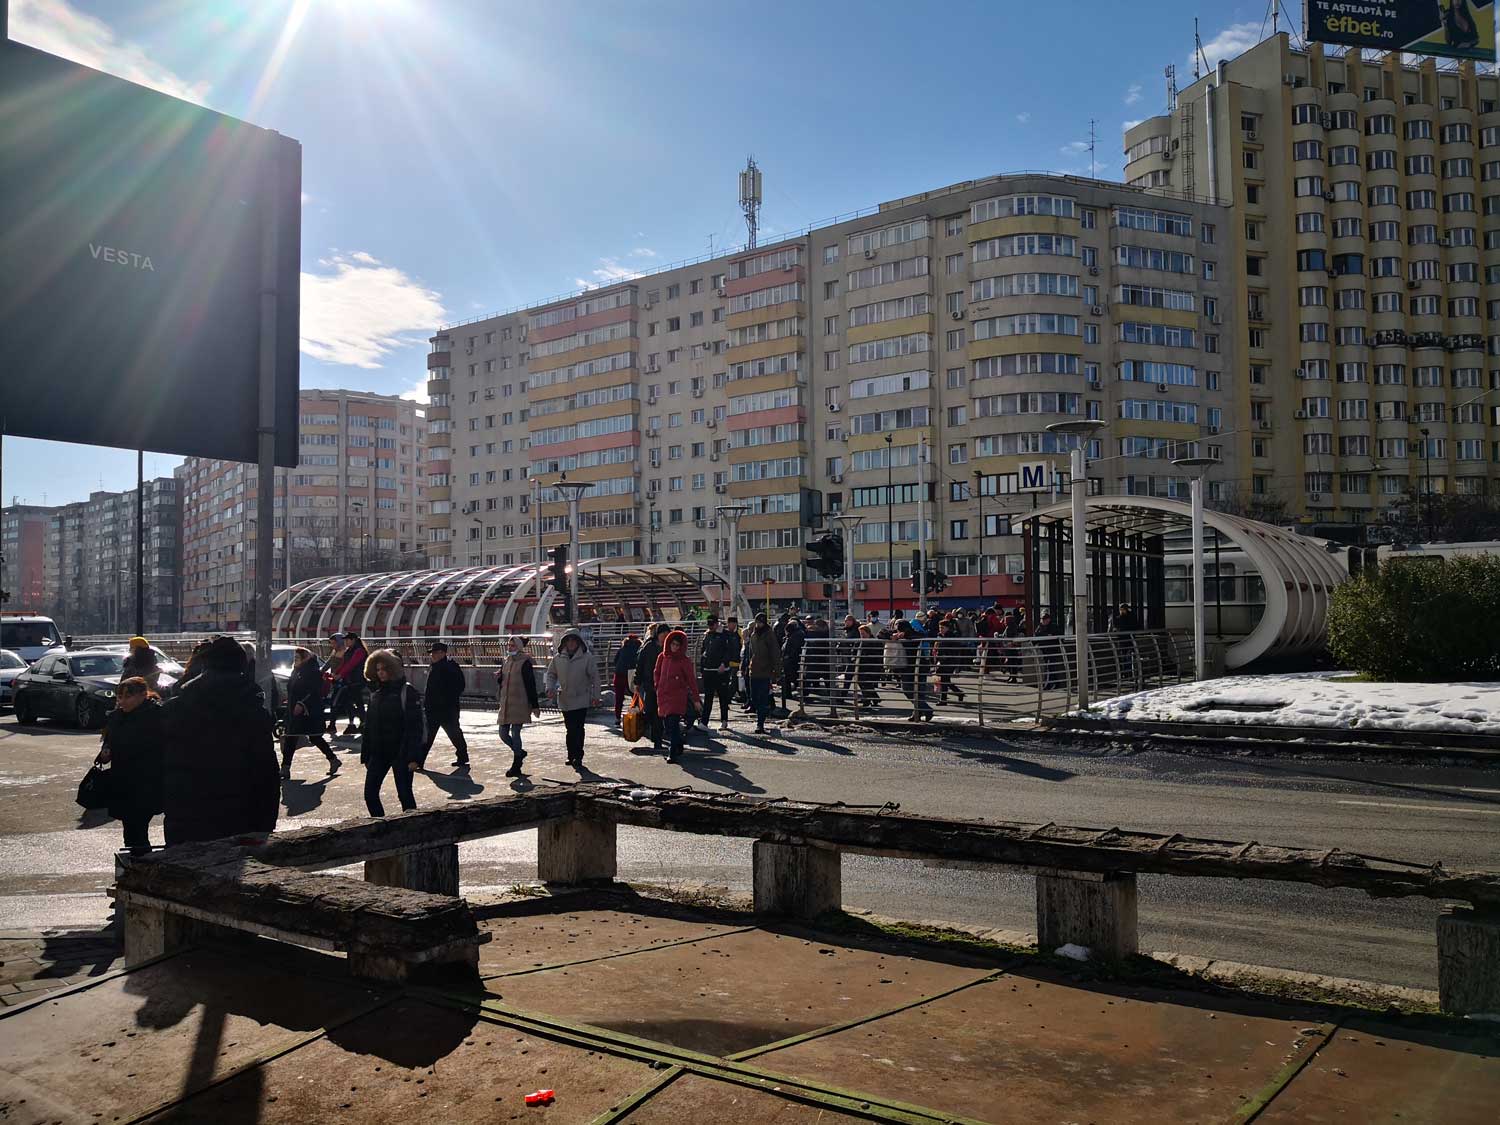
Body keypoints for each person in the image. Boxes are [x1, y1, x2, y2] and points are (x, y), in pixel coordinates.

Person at [161, 636, 279, 846]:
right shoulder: (252, 711)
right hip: (241, 817)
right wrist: (266, 824)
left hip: (186, 816)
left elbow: (162, 762)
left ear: (206, 664)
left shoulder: (176, 707)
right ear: (241, 666)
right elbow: (266, 772)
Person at [99, 676, 164, 856]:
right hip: (123, 779)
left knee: (137, 827)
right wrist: (106, 752)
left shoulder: (155, 715)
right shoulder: (117, 717)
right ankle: (138, 866)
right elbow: (109, 742)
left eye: (127, 697)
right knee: (131, 830)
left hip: (146, 780)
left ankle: (142, 865)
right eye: (119, 697)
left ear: (143, 695)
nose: (122, 701)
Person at [360, 649, 424, 817]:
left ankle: (413, 828)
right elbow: (369, 727)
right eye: (378, 669)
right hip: (379, 753)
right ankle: (381, 828)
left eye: (384, 669)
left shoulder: (407, 692)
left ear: (393, 669)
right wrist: (366, 754)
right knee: (370, 794)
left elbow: (415, 727)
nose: (381, 673)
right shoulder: (376, 694)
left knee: (404, 795)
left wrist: (414, 757)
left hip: (400, 753)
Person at [281, 646, 338, 780]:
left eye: (298, 658)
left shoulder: (312, 671)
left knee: (314, 737)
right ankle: (285, 768)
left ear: (304, 659)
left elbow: (313, 691)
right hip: (294, 709)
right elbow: (292, 688)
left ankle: (333, 759)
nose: (295, 660)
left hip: (308, 711)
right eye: (294, 658)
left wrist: (302, 703)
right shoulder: (296, 670)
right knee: (290, 737)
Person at [547, 630, 600, 769]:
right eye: (568, 641)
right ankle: (571, 755)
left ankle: (578, 756)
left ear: (578, 642)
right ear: (564, 643)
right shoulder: (558, 658)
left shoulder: (587, 658)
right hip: (565, 698)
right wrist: (550, 688)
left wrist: (596, 696)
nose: (570, 643)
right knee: (570, 729)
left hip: (581, 697)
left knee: (578, 728)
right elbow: (551, 674)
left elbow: (595, 677)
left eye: (573, 640)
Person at [653, 629, 702, 762]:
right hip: (663, 695)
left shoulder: (684, 661)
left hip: (677, 696)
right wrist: (657, 685)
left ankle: (672, 752)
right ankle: (678, 743)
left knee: (673, 724)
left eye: (677, 645)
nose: (674, 647)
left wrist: (696, 699)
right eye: (672, 644)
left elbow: (692, 681)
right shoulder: (662, 657)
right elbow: (656, 672)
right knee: (667, 726)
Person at [495, 635, 540, 777]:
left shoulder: (524, 662)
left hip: (520, 703)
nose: (510, 648)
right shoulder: (506, 660)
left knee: (515, 733)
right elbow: (503, 681)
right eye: (509, 645)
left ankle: (516, 765)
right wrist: (499, 678)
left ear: (519, 647)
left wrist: (534, 705)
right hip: (506, 702)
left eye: (513, 646)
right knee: (502, 734)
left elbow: (530, 684)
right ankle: (519, 752)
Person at [421, 641, 469, 770]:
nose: (432, 655)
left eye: (435, 653)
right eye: (432, 653)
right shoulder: (436, 666)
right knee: (429, 735)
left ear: (442, 653)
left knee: (452, 733)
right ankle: (419, 760)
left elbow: (459, 686)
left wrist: (445, 700)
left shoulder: (450, 667)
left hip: (446, 709)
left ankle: (462, 756)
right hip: (436, 708)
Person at [634, 623, 671, 753]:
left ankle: (658, 740)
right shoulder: (648, 647)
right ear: (658, 635)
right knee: (651, 711)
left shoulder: (670, 648)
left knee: (659, 714)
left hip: (664, 686)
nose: (665, 637)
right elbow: (640, 665)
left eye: (667, 635)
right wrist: (637, 682)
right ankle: (645, 728)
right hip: (649, 684)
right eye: (663, 635)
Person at [698, 617, 739, 730]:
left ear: (717, 624)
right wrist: (703, 667)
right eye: (709, 624)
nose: (710, 627)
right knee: (708, 697)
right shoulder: (707, 635)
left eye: (712, 624)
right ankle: (704, 722)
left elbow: (729, 650)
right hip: (708, 670)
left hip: (721, 671)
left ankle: (724, 720)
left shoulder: (725, 635)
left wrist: (724, 663)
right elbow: (703, 651)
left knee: (723, 697)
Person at [744, 613, 782, 734]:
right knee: (754, 698)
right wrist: (746, 665)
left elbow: (775, 653)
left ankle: (760, 723)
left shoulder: (769, 635)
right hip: (753, 670)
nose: (759, 624)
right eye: (757, 622)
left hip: (765, 671)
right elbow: (750, 652)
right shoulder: (754, 634)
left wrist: (777, 671)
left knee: (762, 698)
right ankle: (763, 713)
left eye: (761, 622)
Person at [332, 632, 369, 736]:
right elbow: (344, 664)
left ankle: (362, 721)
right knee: (349, 701)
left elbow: (351, 665)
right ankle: (357, 722)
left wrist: (340, 675)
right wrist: (336, 673)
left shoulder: (359, 651)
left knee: (356, 701)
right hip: (349, 680)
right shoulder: (349, 651)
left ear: (353, 640)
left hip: (357, 680)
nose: (346, 642)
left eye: (347, 640)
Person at [612, 633, 642, 726]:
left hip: (619, 674)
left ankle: (617, 718)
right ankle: (636, 716)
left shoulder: (622, 649)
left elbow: (615, 661)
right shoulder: (639, 649)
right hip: (631, 674)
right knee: (635, 696)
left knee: (619, 698)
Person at [780, 615, 805, 708]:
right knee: (792, 677)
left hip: (792, 660)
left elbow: (793, 648)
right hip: (792, 659)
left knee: (791, 677)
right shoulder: (796, 634)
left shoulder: (795, 635)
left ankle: (790, 694)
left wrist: (787, 656)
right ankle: (793, 693)